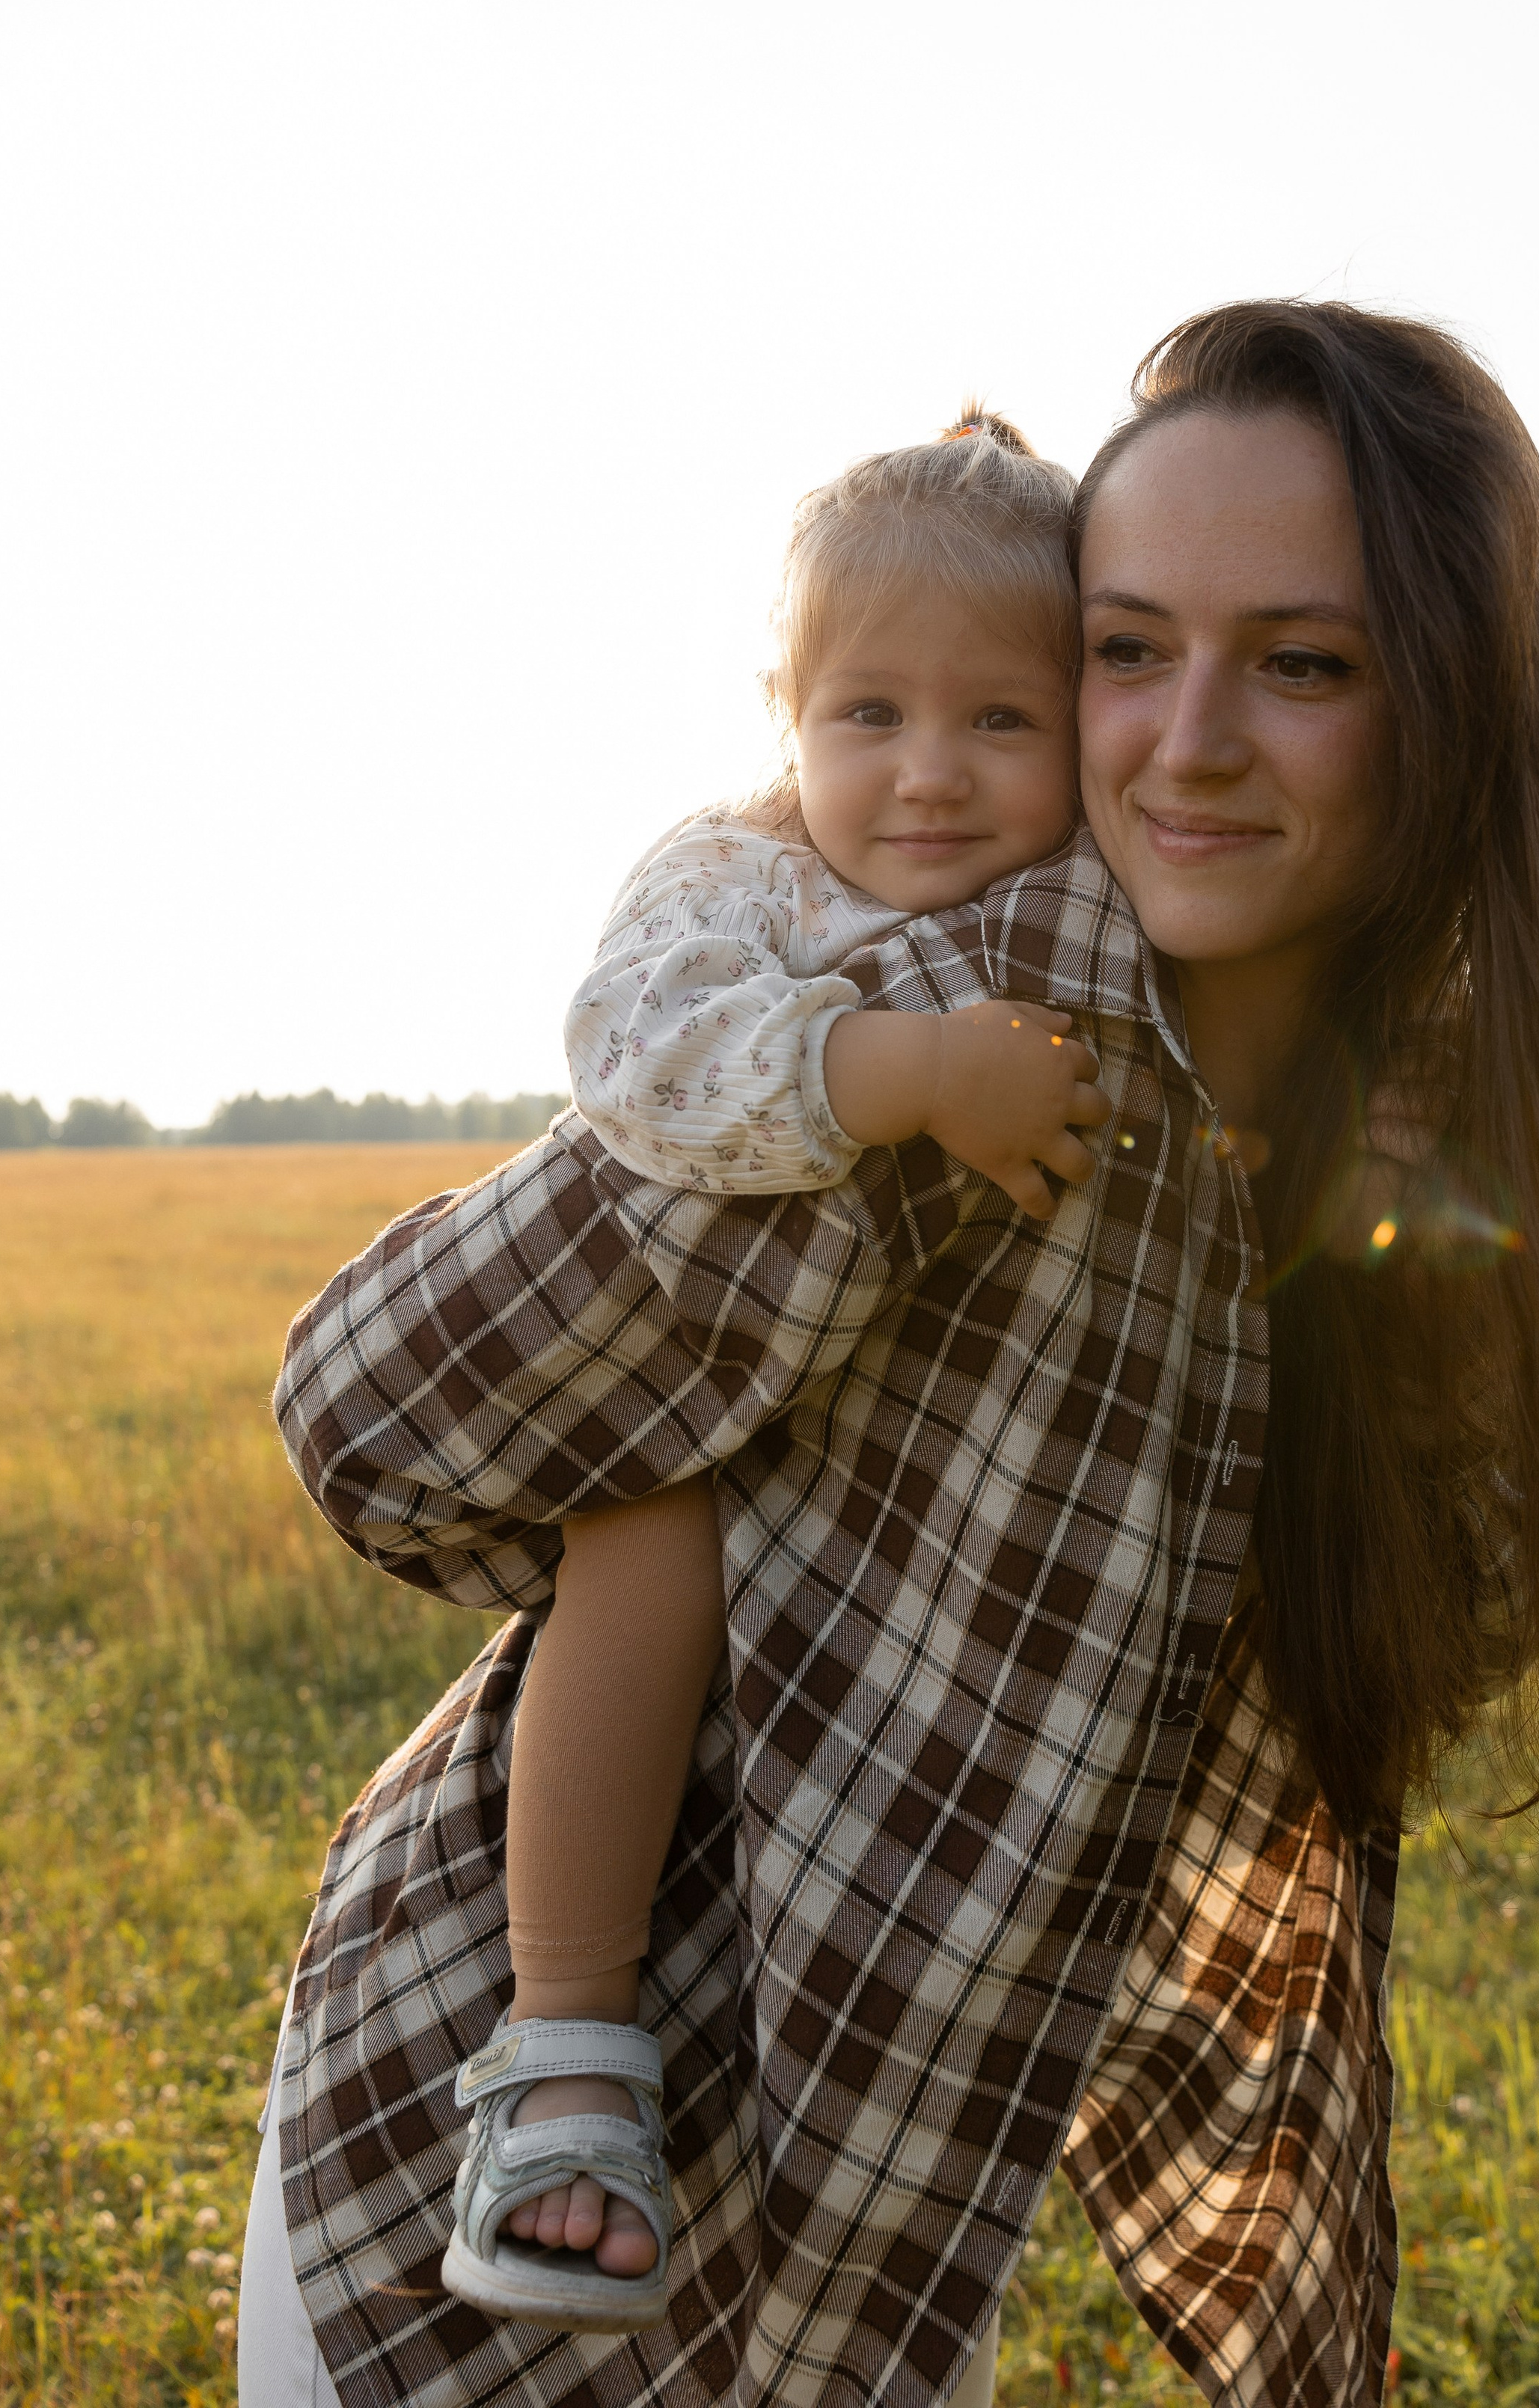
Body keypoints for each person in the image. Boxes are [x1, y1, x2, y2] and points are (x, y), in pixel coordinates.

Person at [245, 301, 1539, 2408]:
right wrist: (866, 1125)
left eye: (1309, 663)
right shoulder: (961, 1010)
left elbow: (1401, 1664)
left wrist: (1401, 1295)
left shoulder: (1423, 1148)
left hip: (882, 2231)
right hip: (486, 2148)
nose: (1188, 741)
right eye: (1129, 648)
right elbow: (373, 1408)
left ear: (1460, 711)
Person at [469, 410, 1112, 2326]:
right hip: (702, 1395)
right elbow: (640, 1049)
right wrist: (901, 1074)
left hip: (944, 1484)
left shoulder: (1086, 896)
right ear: (787, 717)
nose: (927, 776)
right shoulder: (742, 876)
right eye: (868, 717)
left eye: (1001, 721)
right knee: (642, 1551)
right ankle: (564, 2040)